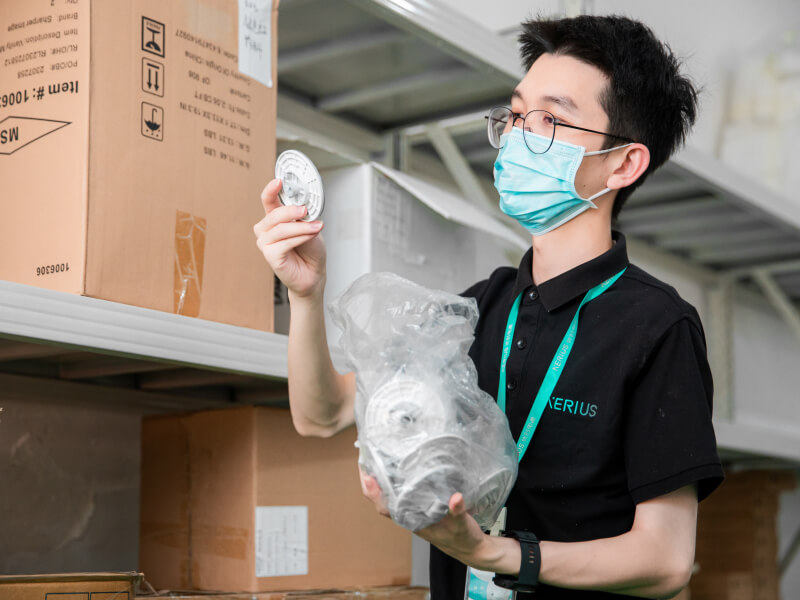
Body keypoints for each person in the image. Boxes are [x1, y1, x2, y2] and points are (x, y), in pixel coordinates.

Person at [253, 14, 723, 599]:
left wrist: (493, 553)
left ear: (623, 163)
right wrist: (305, 294)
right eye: (519, 114)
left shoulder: (657, 326)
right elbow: (320, 416)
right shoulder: (477, 308)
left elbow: (666, 559)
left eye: (552, 119)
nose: (523, 134)